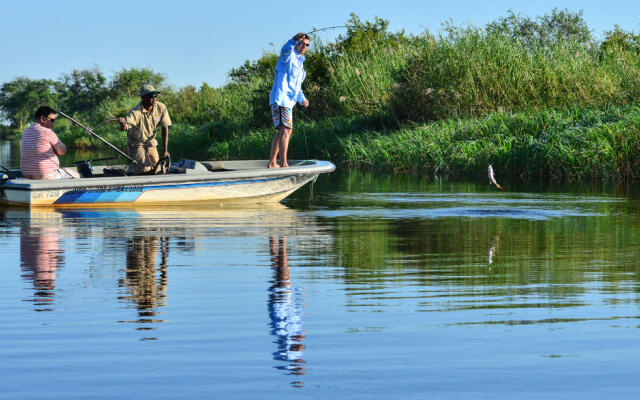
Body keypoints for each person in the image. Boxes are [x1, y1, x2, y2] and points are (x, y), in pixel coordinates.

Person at [268, 32, 310, 168]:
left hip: (288, 102)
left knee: (283, 131)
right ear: (297, 44)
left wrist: (302, 99)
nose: (304, 46)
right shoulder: (288, 56)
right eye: (302, 43)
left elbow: (297, 88)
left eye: (307, 45)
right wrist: (293, 40)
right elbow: (285, 50)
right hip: (280, 99)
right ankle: (283, 163)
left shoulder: (301, 65)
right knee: (286, 131)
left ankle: (273, 163)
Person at [118, 84, 172, 174]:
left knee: (158, 170)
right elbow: (125, 127)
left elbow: (164, 128)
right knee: (144, 170)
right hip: (136, 144)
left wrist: (165, 150)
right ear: (143, 98)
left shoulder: (161, 108)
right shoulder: (136, 111)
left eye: (156, 95)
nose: (154, 98)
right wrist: (123, 123)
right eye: (151, 96)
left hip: (151, 143)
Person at [20, 106, 80, 179]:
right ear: (42, 119)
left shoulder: (25, 132)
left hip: (26, 174)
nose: (53, 123)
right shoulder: (46, 131)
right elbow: (62, 151)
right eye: (52, 120)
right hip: (47, 175)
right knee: (79, 175)